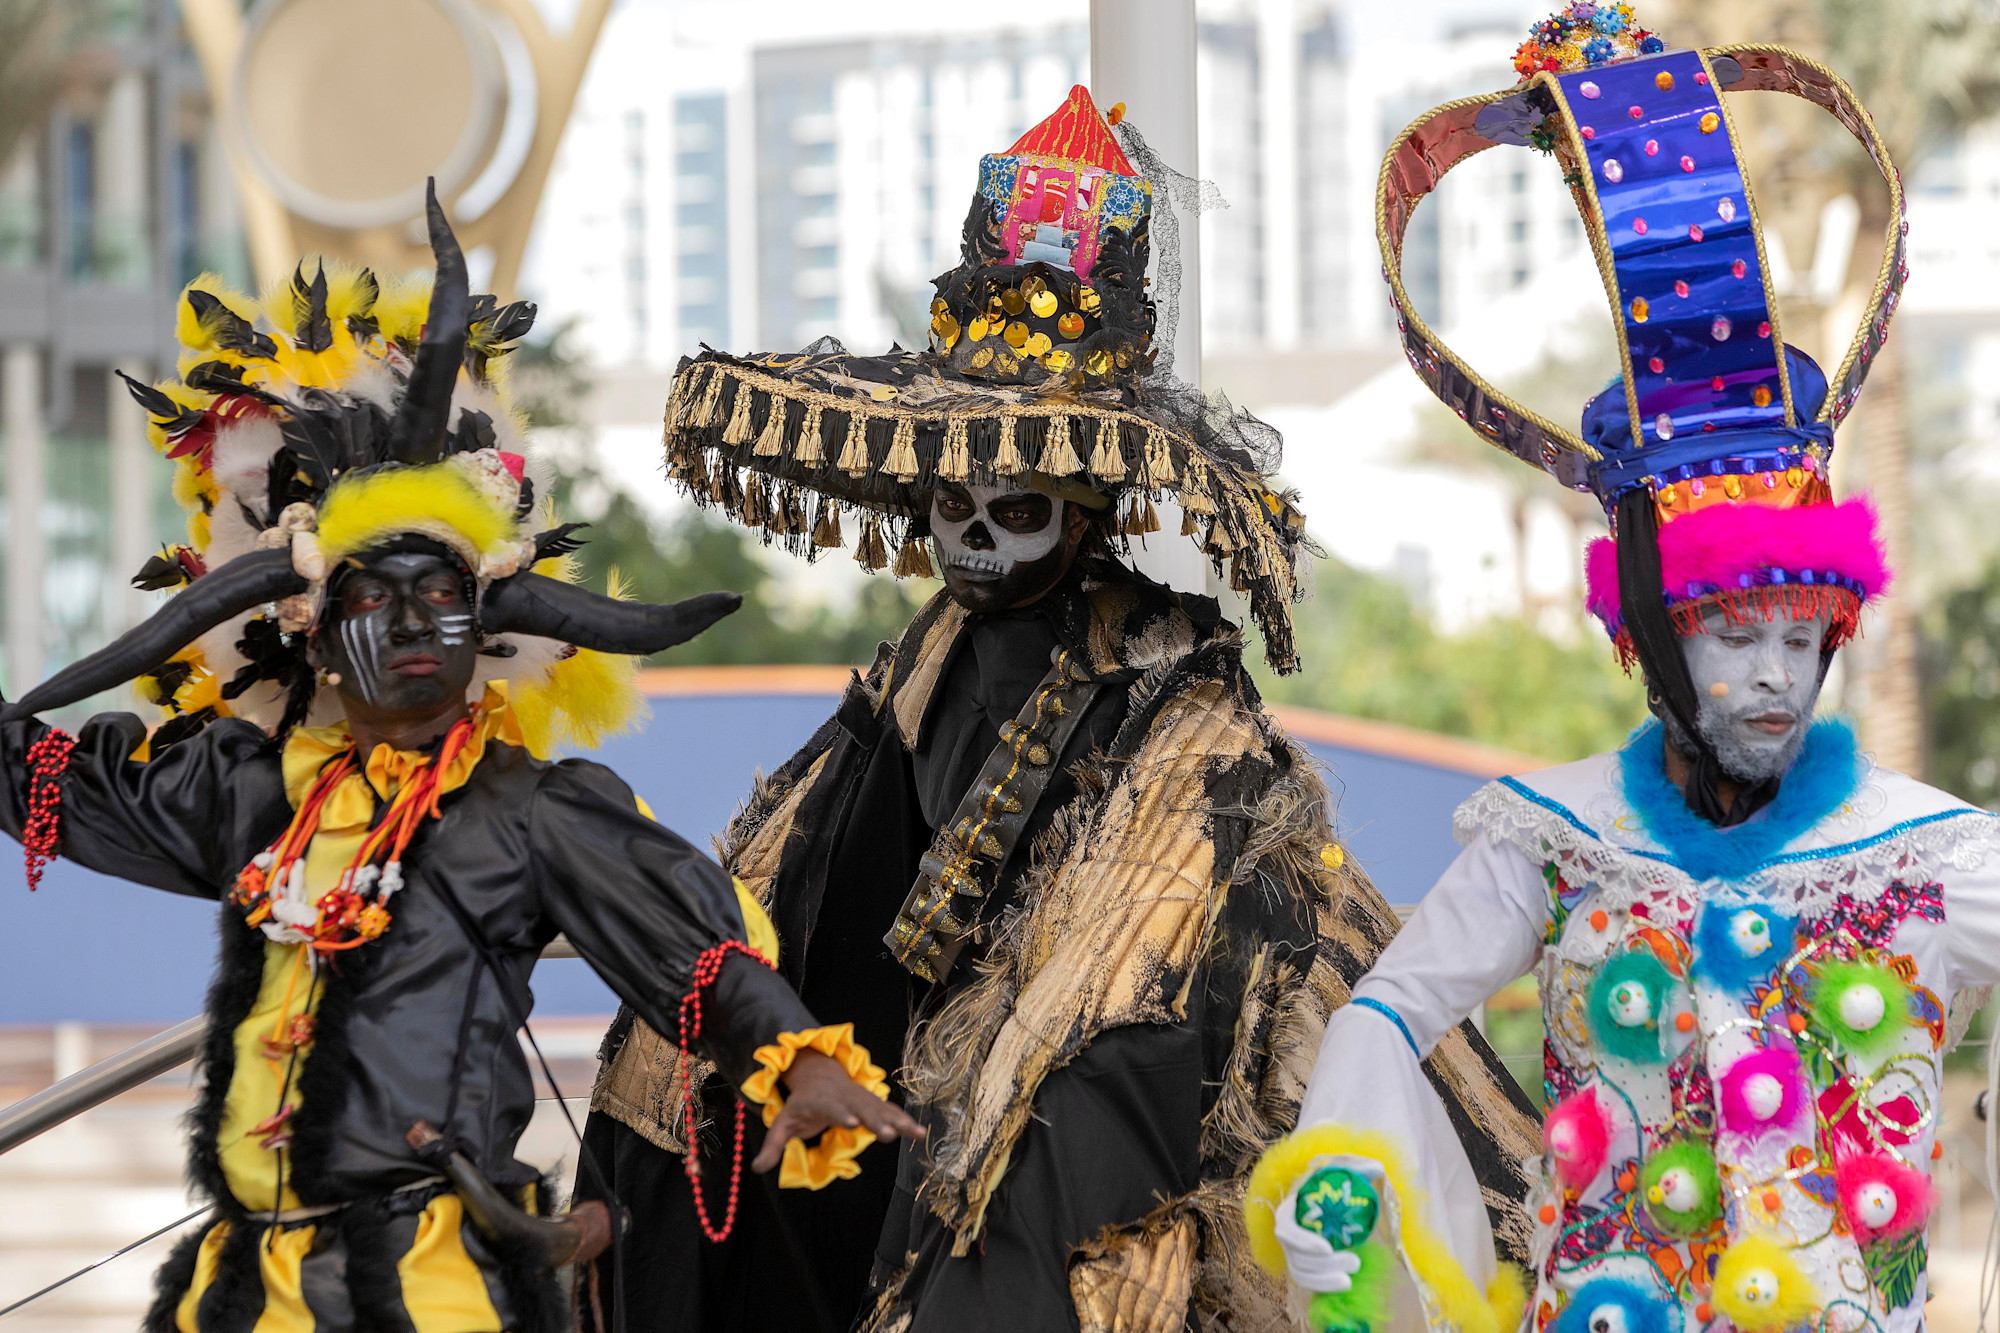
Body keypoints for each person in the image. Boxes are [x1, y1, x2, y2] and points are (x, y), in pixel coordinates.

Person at [579, 86, 1542, 1333]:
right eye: (953, 506)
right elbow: (814, 875)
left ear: (1083, 516)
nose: (976, 539)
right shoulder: (910, 671)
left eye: (1017, 509)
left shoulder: (1177, 702)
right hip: (897, 1073)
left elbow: (1139, 968)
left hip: (1091, 1078)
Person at [2, 189, 918, 1333]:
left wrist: (798, 1061)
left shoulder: (530, 810)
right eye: (371, 597)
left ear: (481, 628)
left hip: (436, 1281)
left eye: (441, 594)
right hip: (245, 1290)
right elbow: (42, 780)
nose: (410, 623)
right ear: (313, 635)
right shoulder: (244, 786)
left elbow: (698, 954)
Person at [1249, 14, 2000, 1333]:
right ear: (1649, 637)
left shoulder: (1929, 854)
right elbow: (1389, 1011)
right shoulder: (1552, 838)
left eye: (1799, 638)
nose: (1773, 680)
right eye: (1730, 636)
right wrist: (1348, 1179)